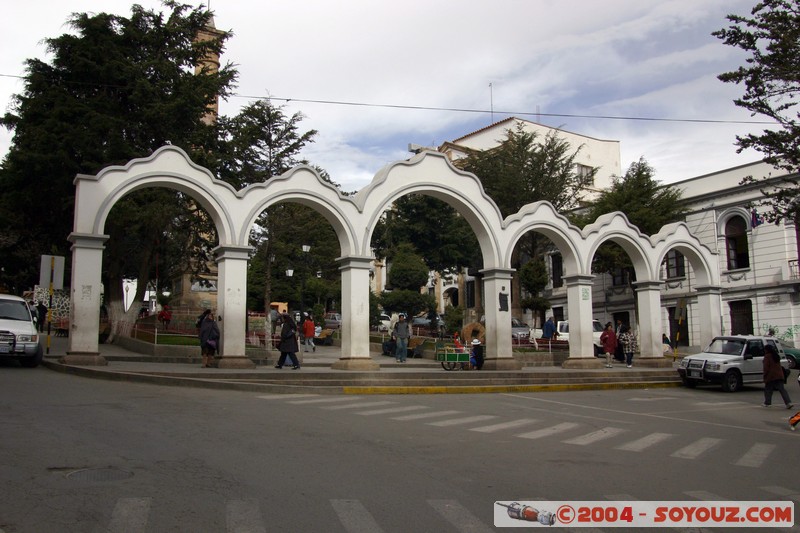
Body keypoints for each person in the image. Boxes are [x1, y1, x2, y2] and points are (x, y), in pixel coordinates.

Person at [762, 344, 792, 408]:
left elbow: (766, 367)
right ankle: (788, 403)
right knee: (782, 389)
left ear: (767, 350)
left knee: (768, 389)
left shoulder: (767, 356)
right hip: (779, 375)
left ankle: (767, 402)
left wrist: (765, 375)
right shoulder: (776, 356)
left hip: (771, 376)